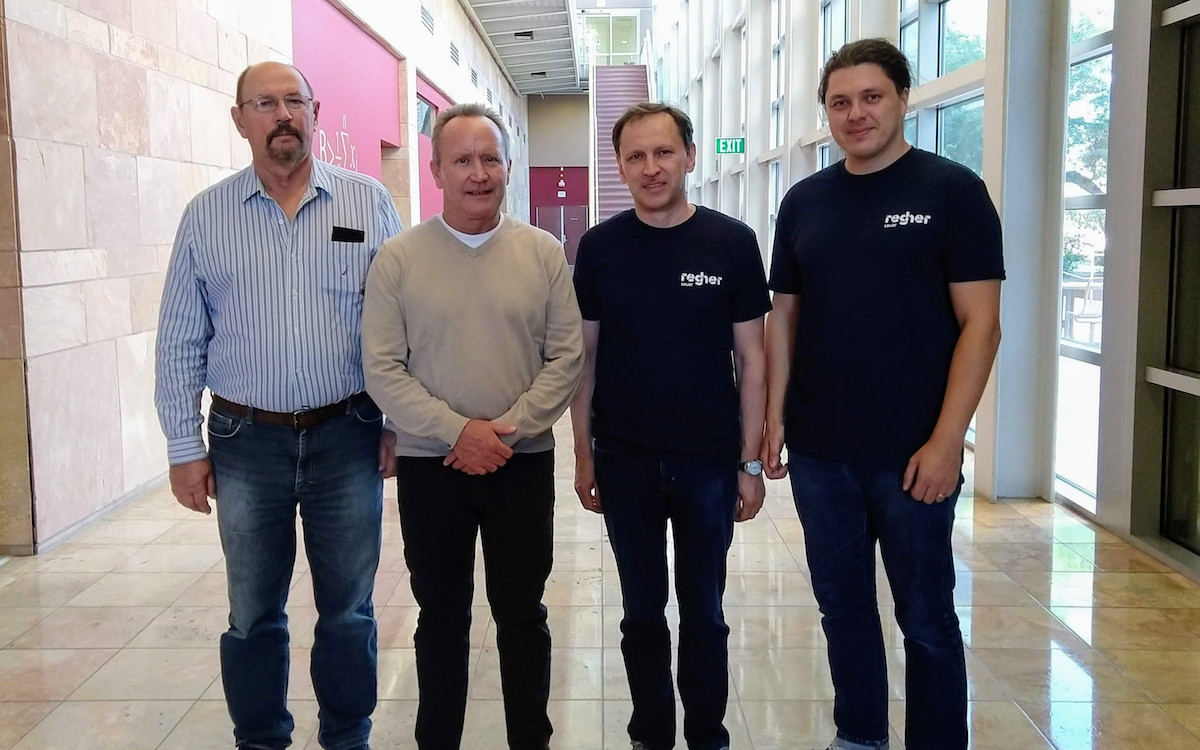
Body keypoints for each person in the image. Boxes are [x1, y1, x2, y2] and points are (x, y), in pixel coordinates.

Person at [761, 39, 1004, 750]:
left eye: (871, 97)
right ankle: (859, 734)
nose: (856, 113)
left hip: (912, 452)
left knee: (925, 616)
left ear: (903, 98)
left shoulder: (951, 192)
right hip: (820, 451)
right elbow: (786, 316)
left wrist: (946, 441)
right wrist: (774, 415)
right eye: (840, 102)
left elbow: (981, 326)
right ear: (827, 114)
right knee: (842, 606)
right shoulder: (804, 201)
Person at [154, 61, 403, 750]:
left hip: (347, 435)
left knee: (349, 612)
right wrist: (183, 449)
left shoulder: (368, 204)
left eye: (295, 100)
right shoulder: (206, 217)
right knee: (253, 613)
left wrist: (394, 423)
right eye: (264, 103)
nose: (282, 114)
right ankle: (260, 739)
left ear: (316, 113)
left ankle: (346, 737)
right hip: (244, 442)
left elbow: (398, 328)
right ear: (240, 120)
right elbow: (180, 340)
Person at [361, 102, 584, 750]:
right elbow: (382, 368)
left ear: (508, 166)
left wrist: (505, 430)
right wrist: (459, 432)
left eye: (490, 158)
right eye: (463, 160)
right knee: (441, 619)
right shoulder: (398, 260)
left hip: (522, 464)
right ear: (436, 170)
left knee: (523, 615)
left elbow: (566, 356)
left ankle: (530, 741)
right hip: (434, 469)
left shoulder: (542, 253)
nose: (478, 172)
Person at [570, 102, 771, 750]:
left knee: (706, 617)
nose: (651, 168)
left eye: (663, 152)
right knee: (641, 616)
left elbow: (754, 357)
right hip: (625, 460)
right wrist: (582, 457)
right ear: (621, 166)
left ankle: (707, 735)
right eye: (636, 156)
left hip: (709, 464)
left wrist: (748, 463)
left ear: (689, 154)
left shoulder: (732, 242)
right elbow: (585, 360)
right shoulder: (600, 249)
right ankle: (651, 735)